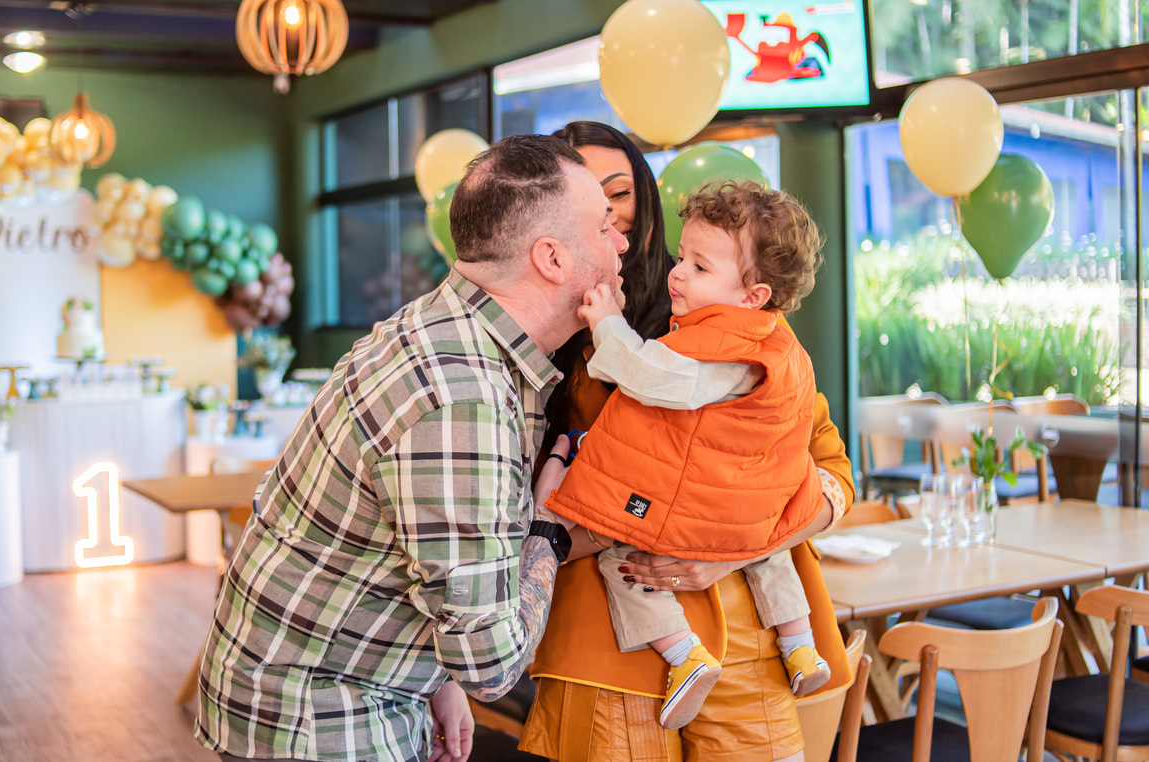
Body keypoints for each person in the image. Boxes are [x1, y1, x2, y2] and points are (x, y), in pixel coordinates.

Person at [192, 134, 628, 762]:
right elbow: (491, 666)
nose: (621, 243)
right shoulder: (463, 400)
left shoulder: (441, 324)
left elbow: (416, 550)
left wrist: (435, 680)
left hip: (314, 685)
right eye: (605, 225)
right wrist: (549, 531)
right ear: (552, 258)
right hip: (318, 720)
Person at [518, 121, 854, 762]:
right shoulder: (540, 342)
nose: (606, 212)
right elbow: (515, 515)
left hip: (752, 638)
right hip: (610, 646)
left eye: (618, 192)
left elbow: (828, 470)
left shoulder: (747, 330)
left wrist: (731, 544)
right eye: (583, 194)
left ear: (644, 204)